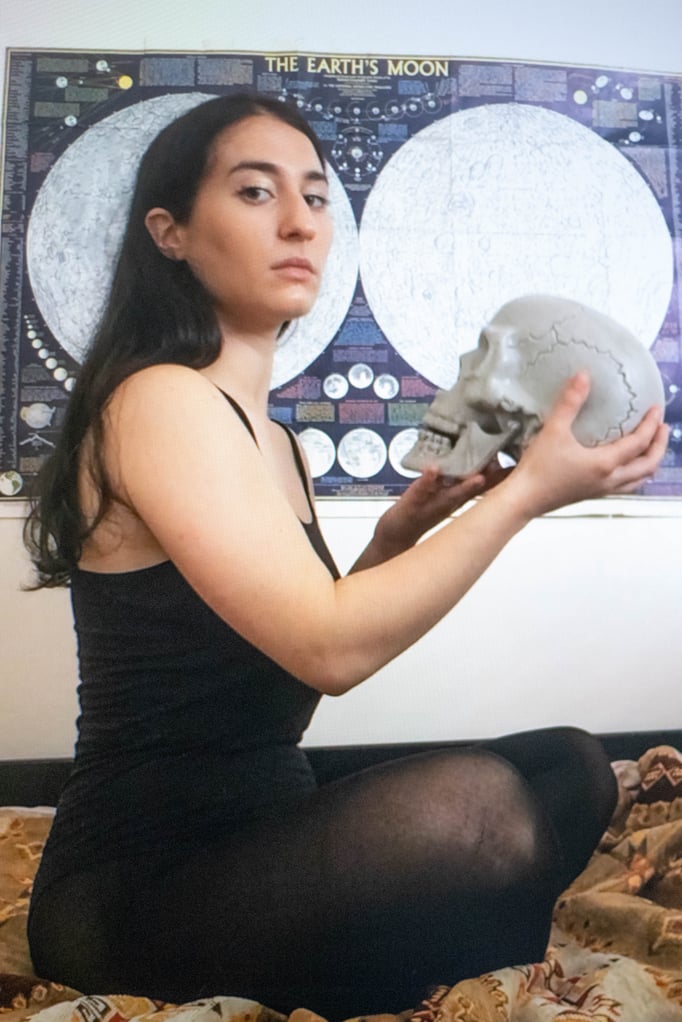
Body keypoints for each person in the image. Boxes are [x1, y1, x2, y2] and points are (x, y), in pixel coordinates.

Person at [24, 93, 668, 1020]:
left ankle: (413, 940)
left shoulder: (275, 440)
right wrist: (526, 495)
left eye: (317, 197)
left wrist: (399, 534)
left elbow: (287, 666)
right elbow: (330, 649)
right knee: (478, 810)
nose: (300, 223)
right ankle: (431, 945)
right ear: (170, 233)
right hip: (139, 881)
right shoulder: (160, 399)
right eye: (256, 192)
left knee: (570, 766)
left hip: (267, 822)